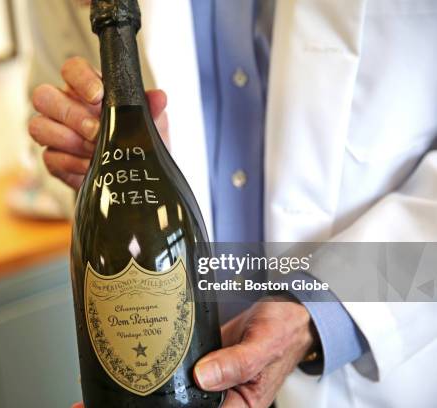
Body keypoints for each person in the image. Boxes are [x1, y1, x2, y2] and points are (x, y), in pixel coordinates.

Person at [28, 1, 437, 407]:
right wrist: (96, 156)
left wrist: (322, 314)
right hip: (176, 375)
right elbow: (53, 146)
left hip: (369, 360)